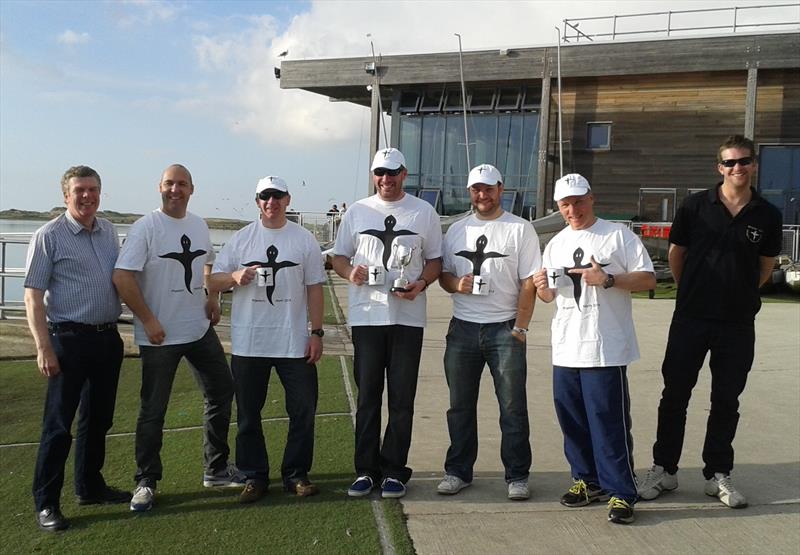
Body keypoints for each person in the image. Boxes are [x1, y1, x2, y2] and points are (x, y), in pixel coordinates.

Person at [637, 135, 782, 509]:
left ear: (753, 165)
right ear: (720, 168)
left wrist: (740, 294)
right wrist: (692, 291)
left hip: (737, 322)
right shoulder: (696, 206)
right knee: (675, 395)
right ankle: (664, 469)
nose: (737, 168)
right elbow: (676, 254)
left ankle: (717, 473)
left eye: (744, 161)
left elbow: (765, 267)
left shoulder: (767, 214)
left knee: (726, 399)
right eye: (730, 163)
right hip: (691, 318)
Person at [113, 164, 242, 513]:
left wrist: (211, 297)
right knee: (153, 410)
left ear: (191, 189)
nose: (175, 190)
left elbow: (206, 263)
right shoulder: (146, 228)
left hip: (198, 329)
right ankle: (146, 481)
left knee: (221, 390)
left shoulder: (198, 225)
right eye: (170, 183)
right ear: (159, 187)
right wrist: (148, 319)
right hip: (159, 336)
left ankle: (215, 468)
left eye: (181, 184)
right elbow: (122, 276)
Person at [533, 173, 656, 525]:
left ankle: (621, 491)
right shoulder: (555, 243)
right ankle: (586, 481)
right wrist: (542, 286)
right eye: (565, 204)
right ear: (558, 207)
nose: (573, 209)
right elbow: (549, 297)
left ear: (592, 197)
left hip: (605, 348)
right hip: (566, 346)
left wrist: (609, 279)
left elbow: (648, 278)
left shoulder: (618, 235)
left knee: (608, 422)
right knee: (572, 421)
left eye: (578, 201)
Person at [332, 147, 442, 499]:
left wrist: (421, 284)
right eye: (380, 172)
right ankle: (365, 469)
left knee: (402, 398)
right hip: (367, 317)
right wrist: (352, 272)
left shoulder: (423, 212)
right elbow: (338, 256)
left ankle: (394, 469)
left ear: (404, 174)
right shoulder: (357, 211)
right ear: (373, 175)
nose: (386, 179)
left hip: (407, 318)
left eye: (392, 172)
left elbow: (436, 261)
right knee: (367, 397)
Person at [208, 176, 326, 504]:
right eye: (264, 196)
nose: (271, 202)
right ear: (257, 200)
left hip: (293, 341)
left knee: (303, 410)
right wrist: (234, 277)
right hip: (250, 343)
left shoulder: (303, 240)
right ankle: (254, 475)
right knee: (248, 413)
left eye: (277, 196)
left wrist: (316, 332)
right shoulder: (241, 240)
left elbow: (315, 287)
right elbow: (214, 281)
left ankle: (296, 474)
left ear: (287, 199)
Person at [25, 165, 130, 532]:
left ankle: (90, 486)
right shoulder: (48, 236)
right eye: (80, 190)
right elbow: (33, 298)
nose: (88, 196)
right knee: (58, 426)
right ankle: (47, 503)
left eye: (94, 189)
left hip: (106, 339)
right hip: (67, 340)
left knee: (98, 420)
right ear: (65, 195)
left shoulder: (108, 231)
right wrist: (43, 348)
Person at [436, 164, 540, 501]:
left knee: (512, 406)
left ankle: (517, 475)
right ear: (470, 192)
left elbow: (529, 282)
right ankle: (458, 471)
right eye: (476, 189)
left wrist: (521, 327)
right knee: (459, 406)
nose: (483, 195)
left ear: (501, 188)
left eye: (489, 189)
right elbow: (445, 275)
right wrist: (458, 285)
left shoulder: (520, 229)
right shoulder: (456, 230)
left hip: (504, 329)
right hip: (463, 328)